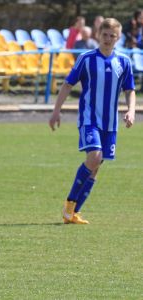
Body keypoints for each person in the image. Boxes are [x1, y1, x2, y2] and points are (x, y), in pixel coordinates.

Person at [49, 18, 135, 225]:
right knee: (94, 158)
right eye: (104, 35)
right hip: (89, 119)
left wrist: (131, 111)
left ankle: (73, 213)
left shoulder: (123, 62)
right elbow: (68, 85)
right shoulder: (86, 59)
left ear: (118, 37)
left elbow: (129, 90)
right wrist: (56, 111)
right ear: (98, 34)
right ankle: (69, 204)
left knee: (97, 166)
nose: (107, 39)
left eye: (112, 36)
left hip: (110, 123)